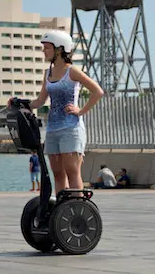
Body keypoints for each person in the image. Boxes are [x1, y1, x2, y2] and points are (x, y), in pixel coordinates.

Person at [14, 30, 104, 194]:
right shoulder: (48, 73)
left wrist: (81, 111)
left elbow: (97, 91)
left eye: (47, 47)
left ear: (59, 49)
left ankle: (76, 206)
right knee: (58, 174)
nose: (43, 51)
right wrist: (19, 103)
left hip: (71, 129)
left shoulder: (72, 71)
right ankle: (61, 208)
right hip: (52, 129)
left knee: (72, 172)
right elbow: (39, 102)